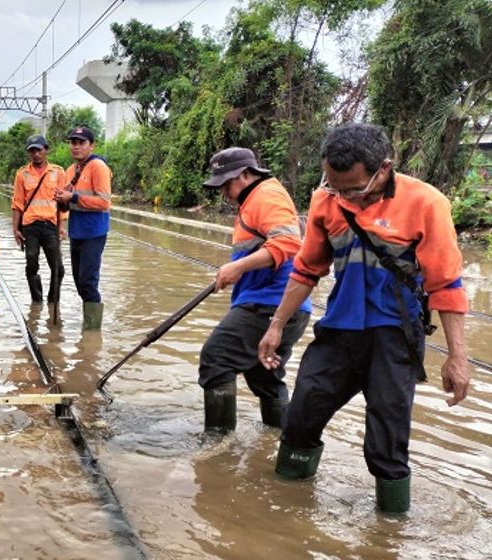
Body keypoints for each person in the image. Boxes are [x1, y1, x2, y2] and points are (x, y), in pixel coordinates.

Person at [258, 123, 471, 514]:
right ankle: (284, 513)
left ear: (383, 168)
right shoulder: (326, 202)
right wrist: (276, 325)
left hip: (394, 337)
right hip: (338, 332)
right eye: (335, 187)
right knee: (301, 418)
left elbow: (447, 285)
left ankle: (389, 531)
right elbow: (307, 270)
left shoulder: (426, 203)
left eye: (354, 189)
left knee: (386, 443)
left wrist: (457, 357)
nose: (345, 197)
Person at [197, 147, 311, 433]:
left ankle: (218, 446)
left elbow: (288, 242)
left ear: (247, 174)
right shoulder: (252, 202)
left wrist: (237, 268)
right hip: (281, 306)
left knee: (217, 358)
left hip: (269, 304)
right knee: (264, 375)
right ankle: (280, 438)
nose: (223, 190)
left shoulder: (266, 195)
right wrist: (240, 269)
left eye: (227, 182)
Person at [54, 125, 111, 330]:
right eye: (73, 143)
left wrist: (74, 197)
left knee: (88, 281)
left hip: (94, 232)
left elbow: (104, 202)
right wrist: (62, 200)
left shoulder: (98, 167)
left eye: (81, 143)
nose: (76, 147)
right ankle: (89, 323)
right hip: (76, 231)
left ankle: (92, 331)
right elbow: (67, 204)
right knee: (79, 281)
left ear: (91, 145)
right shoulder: (71, 170)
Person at [11, 134, 67, 305]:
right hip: (30, 226)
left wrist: (62, 226)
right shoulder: (22, 174)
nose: (36, 154)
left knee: (58, 268)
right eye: (32, 151)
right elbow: (17, 203)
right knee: (31, 263)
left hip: (51, 225)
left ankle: (53, 301)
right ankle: (37, 301)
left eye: (39, 150)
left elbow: (63, 202)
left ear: (46, 150)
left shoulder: (58, 172)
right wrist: (15, 230)